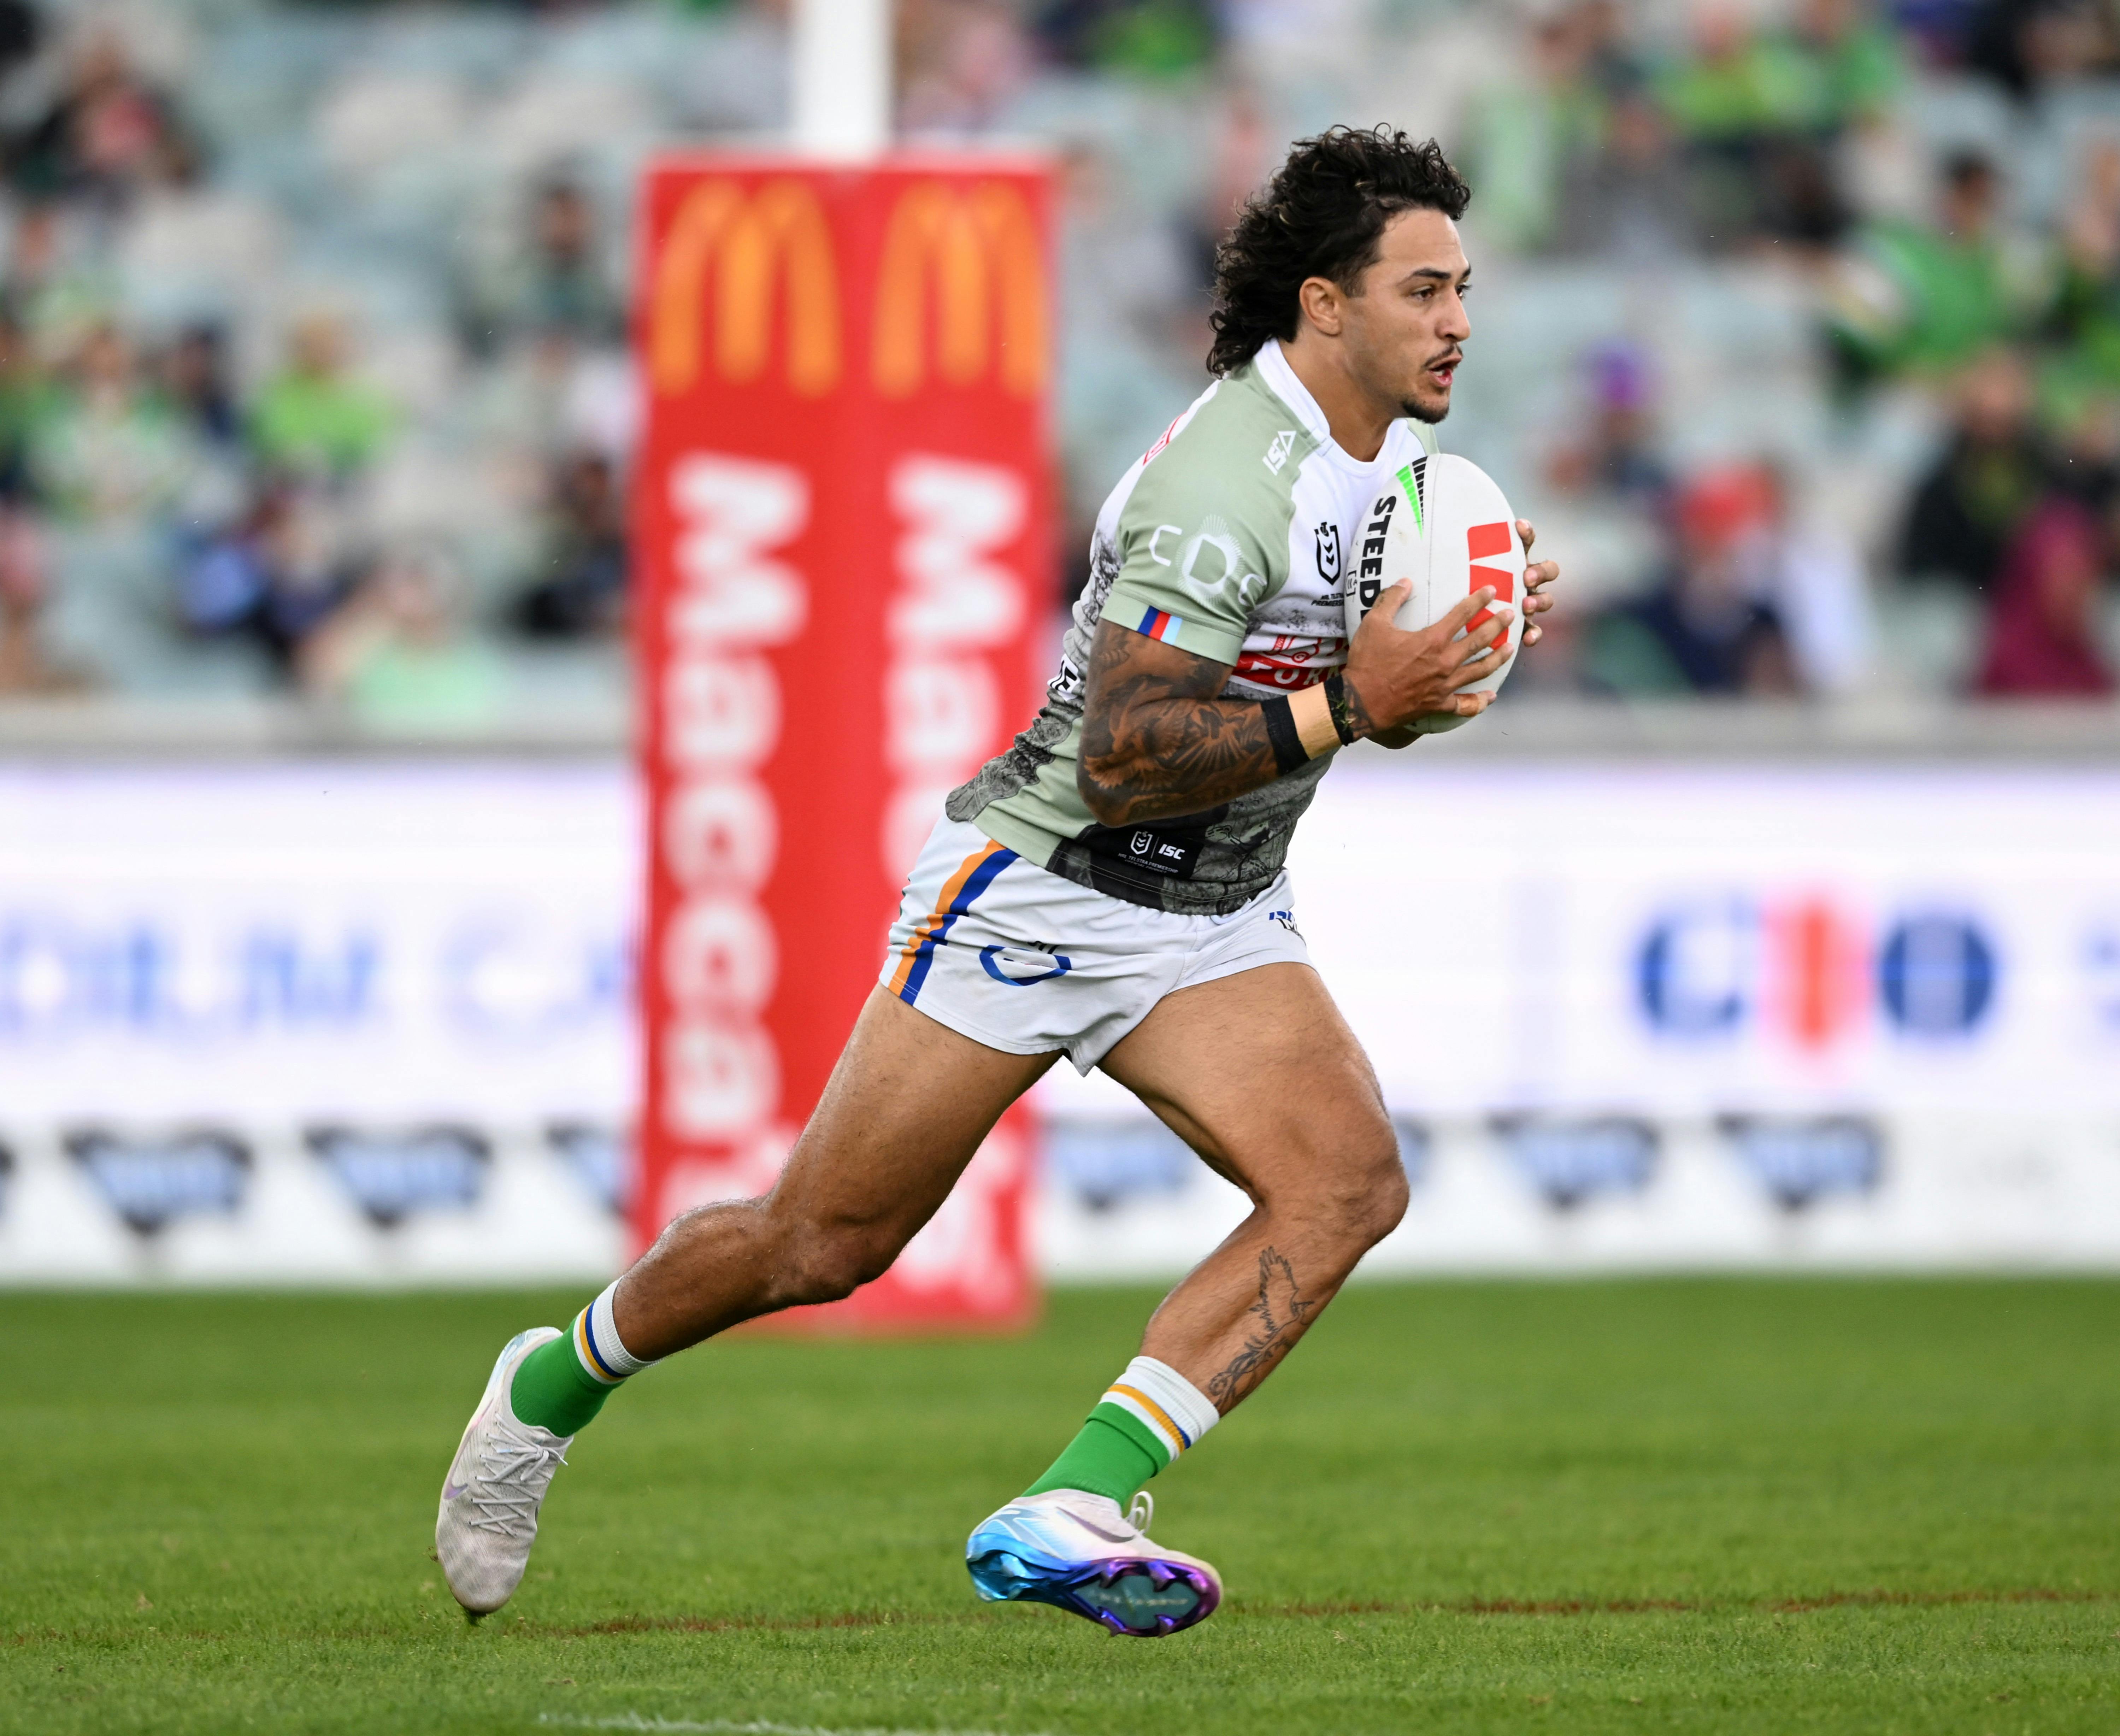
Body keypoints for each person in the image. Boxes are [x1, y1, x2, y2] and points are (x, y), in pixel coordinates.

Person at [434, 126, 1561, 1637]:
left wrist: (1455, 640)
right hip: (1046, 885)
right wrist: (1356, 700)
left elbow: (1376, 675)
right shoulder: (1223, 486)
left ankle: (1080, 1497)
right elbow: (1122, 755)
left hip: (1214, 909)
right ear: (1326, 305)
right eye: (1425, 289)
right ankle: (549, 1382)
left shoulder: (1411, 473)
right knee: (821, 1242)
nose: (1459, 321)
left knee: (1349, 1180)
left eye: (1465, 289)